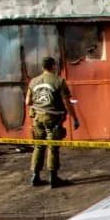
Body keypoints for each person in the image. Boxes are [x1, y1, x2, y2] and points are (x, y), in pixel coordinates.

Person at [25, 56, 79, 188]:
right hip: (53, 118)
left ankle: (35, 176)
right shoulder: (59, 81)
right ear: (54, 66)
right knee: (53, 147)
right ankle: (53, 178)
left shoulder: (33, 81)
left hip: (37, 117)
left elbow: (28, 102)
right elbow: (67, 102)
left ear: (43, 67)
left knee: (38, 146)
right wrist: (75, 118)